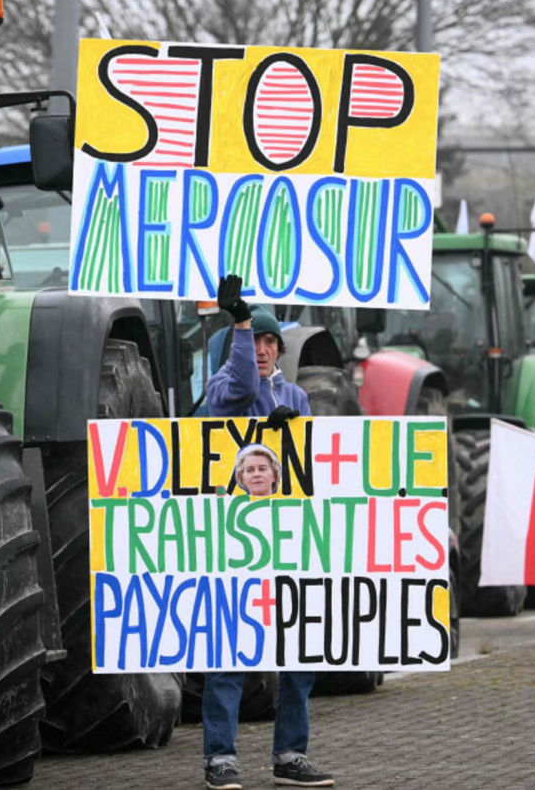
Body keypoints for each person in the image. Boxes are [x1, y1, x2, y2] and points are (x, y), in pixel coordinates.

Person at [201, 274, 333, 790]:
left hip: (285, 544)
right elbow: (240, 387)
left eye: (267, 340)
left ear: (279, 348)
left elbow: (309, 471)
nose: (260, 349)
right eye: (251, 341)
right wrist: (237, 322)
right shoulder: (221, 390)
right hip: (235, 547)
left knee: (298, 652)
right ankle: (219, 758)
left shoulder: (297, 396)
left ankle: (291, 754)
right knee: (228, 652)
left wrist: (293, 434)